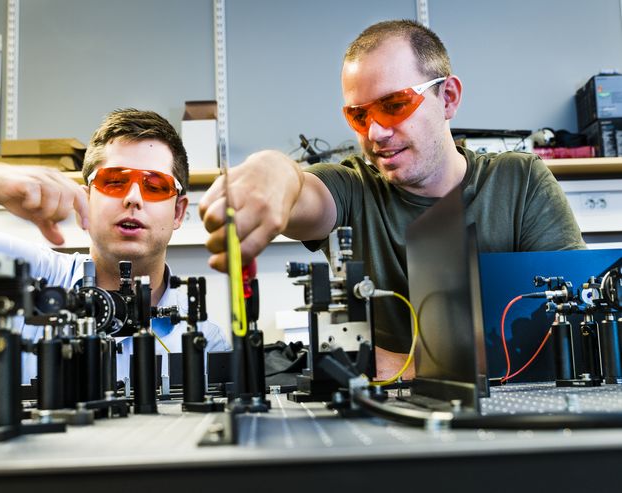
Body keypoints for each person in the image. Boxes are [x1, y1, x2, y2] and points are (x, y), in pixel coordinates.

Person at [199, 19, 584, 380]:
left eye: (394, 104)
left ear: (447, 97)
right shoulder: (352, 190)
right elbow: (300, 191)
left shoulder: (519, 183)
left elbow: (577, 324)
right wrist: (271, 170)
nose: (376, 131)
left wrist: (400, 364)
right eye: (359, 115)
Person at [0, 108, 230, 383]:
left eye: (155, 186)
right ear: (87, 198)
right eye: (114, 182)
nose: (133, 198)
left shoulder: (205, 342)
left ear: (179, 212)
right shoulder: (24, 280)